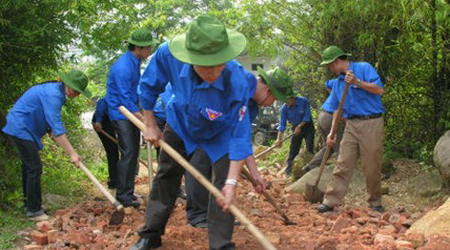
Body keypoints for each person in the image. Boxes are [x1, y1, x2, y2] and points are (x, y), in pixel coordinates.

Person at [131, 15, 264, 250]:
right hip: (181, 123)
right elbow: (148, 87)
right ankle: (150, 233)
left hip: (220, 133)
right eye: (204, 65)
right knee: (166, 175)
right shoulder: (168, 55)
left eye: (218, 64)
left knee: (223, 184)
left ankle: (221, 244)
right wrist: (150, 123)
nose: (211, 72)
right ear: (189, 57)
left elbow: (239, 135)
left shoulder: (239, 81)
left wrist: (233, 183)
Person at [184, 66, 294, 229]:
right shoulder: (239, 81)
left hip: (221, 131)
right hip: (202, 120)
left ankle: (220, 218)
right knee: (200, 165)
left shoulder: (253, 106)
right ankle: (197, 215)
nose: (271, 103)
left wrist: (255, 173)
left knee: (225, 171)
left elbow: (242, 137)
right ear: (268, 90)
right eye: (275, 99)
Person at [2, 70, 90, 221]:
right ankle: (34, 210)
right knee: (34, 167)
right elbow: (57, 127)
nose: (78, 95)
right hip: (19, 127)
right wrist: (72, 153)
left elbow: (50, 121)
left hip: (21, 128)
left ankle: (30, 204)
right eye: (77, 91)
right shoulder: (54, 94)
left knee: (29, 167)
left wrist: (50, 130)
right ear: (68, 85)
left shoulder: (56, 92)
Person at [317, 45, 385, 213]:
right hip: (351, 125)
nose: (330, 69)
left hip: (371, 122)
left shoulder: (363, 68)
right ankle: (330, 200)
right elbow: (335, 109)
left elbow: (379, 90)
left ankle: (375, 202)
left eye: (330, 65)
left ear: (337, 61)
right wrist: (332, 133)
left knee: (371, 165)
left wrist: (358, 83)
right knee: (343, 163)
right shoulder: (338, 83)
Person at [105, 28, 159, 207]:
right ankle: (123, 195)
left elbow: (135, 93)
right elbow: (124, 99)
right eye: (147, 48)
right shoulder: (123, 67)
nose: (149, 51)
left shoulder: (134, 62)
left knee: (133, 151)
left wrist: (143, 113)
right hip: (120, 113)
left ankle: (128, 191)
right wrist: (143, 119)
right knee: (128, 152)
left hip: (130, 110)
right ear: (138, 48)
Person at [300, 79, 345, 175]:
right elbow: (339, 112)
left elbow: (327, 83)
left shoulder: (338, 82)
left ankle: (309, 167)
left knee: (328, 146)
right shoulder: (348, 85)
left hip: (322, 115)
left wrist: (333, 95)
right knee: (341, 147)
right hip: (330, 117)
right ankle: (342, 172)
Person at [274, 94, 315, 176]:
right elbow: (282, 125)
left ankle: (310, 169)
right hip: (295, 128)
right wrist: (279, 138)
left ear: (292, 98)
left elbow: (307, 116)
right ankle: (288, 171)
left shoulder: (303, 101)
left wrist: (300, 126)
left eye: (287, 100)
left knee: (309, 147)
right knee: (293, 150)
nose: (286, 103)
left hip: (307, 126)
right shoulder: (284, 109)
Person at [92, 97, 119, 189]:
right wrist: (98, 121)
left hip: (111, 120)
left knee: (115, 150)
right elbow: (101, 103)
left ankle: (116, 179)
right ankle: (113, 181)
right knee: (112, 151)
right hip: (101, 122)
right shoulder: (111, 97)